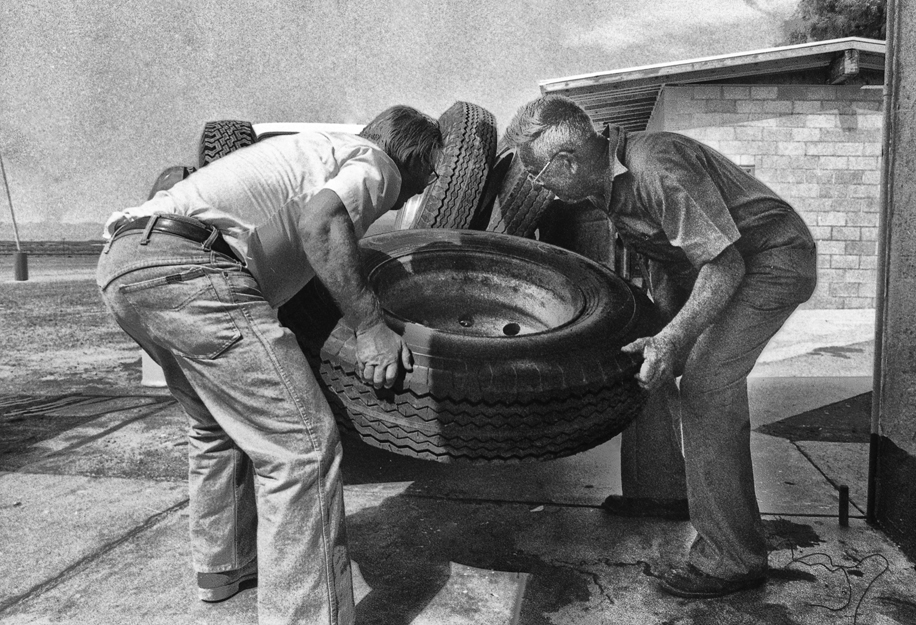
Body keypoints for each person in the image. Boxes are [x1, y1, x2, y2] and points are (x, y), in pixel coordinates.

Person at [96, 105, 442, 624]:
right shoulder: (375, 162)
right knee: (301, 448)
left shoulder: (307, 151)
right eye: (429, 171)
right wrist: (371, 326)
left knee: (215, 427)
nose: (422, 188)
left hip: (126, 264)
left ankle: (224, 566)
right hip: (194, 269)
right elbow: (323, 221)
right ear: (411, 154)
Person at [504, 95, 817, 599]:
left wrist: (675, 337)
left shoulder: (655, 164)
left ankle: (732, 558)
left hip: (770, 262)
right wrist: (658, 333)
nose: (539, 187)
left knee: (707, 383)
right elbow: (673, 261)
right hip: (711, 270)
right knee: (644, 359)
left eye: (538, 175)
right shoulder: (605, 188)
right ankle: (662, 492)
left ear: (566, 161)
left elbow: (726, 264)